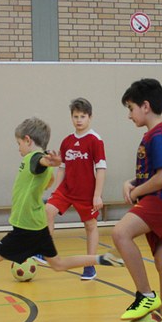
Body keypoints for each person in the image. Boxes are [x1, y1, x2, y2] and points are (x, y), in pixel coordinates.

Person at [0, 117, 122, 322]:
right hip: (39, 227)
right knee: (58, 264)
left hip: (25, 229)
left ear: (28, 140)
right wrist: (52, 164)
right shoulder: (39, 162)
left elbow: (40, 162)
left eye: (18, 143)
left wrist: (50, 162)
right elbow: (48, 176)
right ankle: (101, 258)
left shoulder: (33, 158)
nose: (18, 147)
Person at [111, 79, 162, 322]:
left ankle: (145, 294)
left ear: (146, 106)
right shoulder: (158, 133)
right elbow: (152, 173)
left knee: (120, 233)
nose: (129, 115)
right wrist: (132, 182)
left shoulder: (158, 134)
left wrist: (137, 191)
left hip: (160, 201)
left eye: (131, 108)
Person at [43, 98, 108, 280]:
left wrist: (97, 195)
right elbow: (62, 168)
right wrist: (55, 191)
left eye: (83, 116)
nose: (79, 120)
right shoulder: (67, 141)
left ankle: (90, 266)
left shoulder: (95, 140)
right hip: (66, 189)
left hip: (86, 192)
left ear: (90, 117)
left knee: (90, 226)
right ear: (71, 117)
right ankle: (45, 250)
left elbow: (101, 168)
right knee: (48, 210)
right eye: (75, 116)